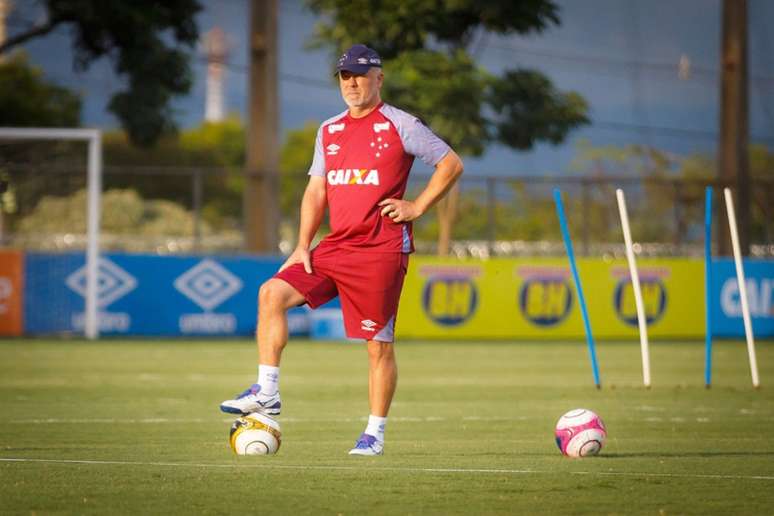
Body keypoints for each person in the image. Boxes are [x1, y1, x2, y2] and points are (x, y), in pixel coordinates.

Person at [220, 44, 463, 456]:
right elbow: (317, 190)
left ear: (379, 79)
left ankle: (374, 433)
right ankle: (268, 391)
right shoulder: (329, 130)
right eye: (344, 76)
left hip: (381, 249)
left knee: (378, 346)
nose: (351, 83)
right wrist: (301, 245)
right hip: (333, 247)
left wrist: (417, 206)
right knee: (271, 293)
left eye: (360, 75)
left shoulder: (400, 124)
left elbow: (450, 163)